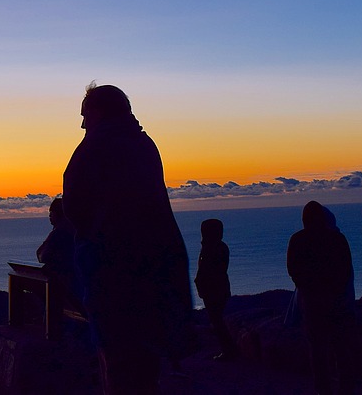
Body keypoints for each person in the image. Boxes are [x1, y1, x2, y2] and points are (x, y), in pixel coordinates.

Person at [62, 83, 194, 394]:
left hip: (112, 270)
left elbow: (74, 206)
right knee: (145, 357)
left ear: (99, 112)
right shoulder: (145, 145)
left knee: (118, 357)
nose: (82, 124)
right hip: (155, 266)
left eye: (85, 115)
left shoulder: (94, 147)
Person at [287, 200, 355, 395]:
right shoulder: (337, 239)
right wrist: (337, 289)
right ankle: (346, 387)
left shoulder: (298, 239)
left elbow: (292, 268)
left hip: (312, 301)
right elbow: (345, 268)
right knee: (341, 346)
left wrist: (306, 287)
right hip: (336, 299)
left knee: (317, 348)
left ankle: (322, 389)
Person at [195, 218, 239, 361]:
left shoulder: (211, 249)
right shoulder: (218, 247)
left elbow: (207, 271)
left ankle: (228, 351)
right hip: (218, 289)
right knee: (217, 321)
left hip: (214, 290)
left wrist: (201, 284)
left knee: (217, 321)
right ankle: (228, 349)